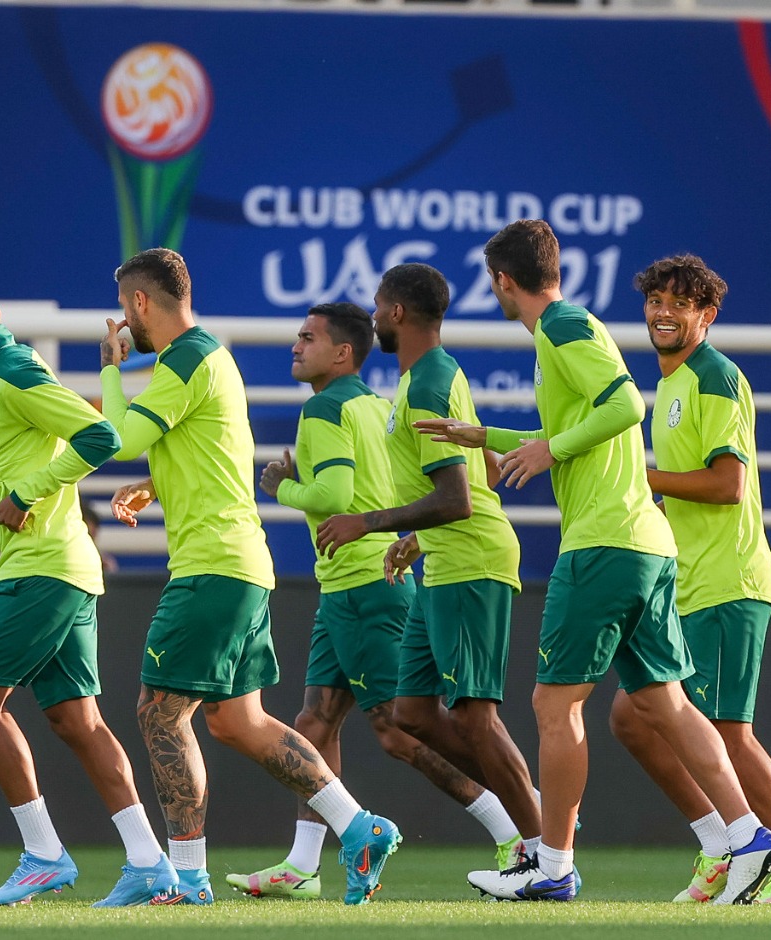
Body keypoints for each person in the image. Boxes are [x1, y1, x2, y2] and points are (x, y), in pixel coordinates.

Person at [423, 220, 771, 904]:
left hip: (604, 544)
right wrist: (486, 436)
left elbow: (623, 406)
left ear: (503, 279)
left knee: (554, 705)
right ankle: (751, 838)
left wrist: (547, 451)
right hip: (646, 544)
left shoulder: (559, 326)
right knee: (665, 703)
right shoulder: (568, 326)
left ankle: (552, 865)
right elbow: (583, 426)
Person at [97, 248, 401, 907]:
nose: (125, 321)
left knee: (159, 713)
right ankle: (359, 826)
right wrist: (159, 482)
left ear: (143, 303)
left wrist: (113, 375)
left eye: (127, 308)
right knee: (238, 722)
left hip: (213, 568)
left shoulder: (183, 359)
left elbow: (116, 438)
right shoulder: (213, 358)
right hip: (242, 564)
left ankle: (187, 879)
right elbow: (214, 451)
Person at [227, 303, 525, 899]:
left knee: (399, 733)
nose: (295, 345)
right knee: (315, 720)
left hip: (365, 586)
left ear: (343, 352)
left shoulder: (324, 407)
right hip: (350, 585)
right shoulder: (377, 405)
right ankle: (303, 863)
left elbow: (334, 494)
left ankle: (519, 827)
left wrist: (279, 485)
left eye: (308, 338)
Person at [0, 273, 172, 907]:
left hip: (40, 568)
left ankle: (44, 853)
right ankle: (150, 862)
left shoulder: (11, 368)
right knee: (77, 720)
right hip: (65, 567)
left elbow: (99, 437)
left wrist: (27, 494)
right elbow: (1, 475)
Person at [606, 254, 771, 904]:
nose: (663, 313)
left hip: (731, 582)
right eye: (655, 301)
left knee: (729, 731)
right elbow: (687, 490)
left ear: (706, 315)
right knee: (631, 715)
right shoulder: (671, 384)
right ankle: (718, 843)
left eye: (680, 304)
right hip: (689, 585)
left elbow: (729, 485)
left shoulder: (715, 376)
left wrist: (643, 479)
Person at [314, 264, 543, 862]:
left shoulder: (431, 382)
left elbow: (460, 497)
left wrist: (368, 522)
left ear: (395, 314)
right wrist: (415, 538)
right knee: (410, 713)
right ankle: (526, 812)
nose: (371, 316)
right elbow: (485, 472)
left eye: (376, 305)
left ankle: (545, 846)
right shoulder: (424, 379)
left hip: (472, 561)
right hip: (441, 559)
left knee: (475, 718)